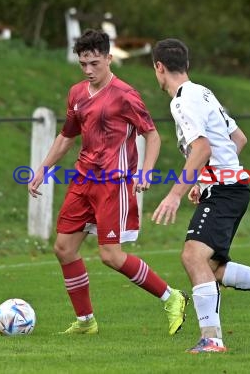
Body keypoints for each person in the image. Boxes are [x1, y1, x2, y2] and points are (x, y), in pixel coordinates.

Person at [151, 38, 250, 354]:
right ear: (187, 65)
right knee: (213, 269)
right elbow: (239, 138)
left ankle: (212, 339)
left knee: (192, 256)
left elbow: (202, 148)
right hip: (230, 187)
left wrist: (174, 194)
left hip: (226, 191)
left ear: (159, 67)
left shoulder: (181, 101)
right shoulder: (204, 92)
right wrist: (207, 178)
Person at [28, 29, 188, 336]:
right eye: (83, 64)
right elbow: (66, 136)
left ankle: (172, 297)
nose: (88, 70)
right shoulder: (76, 93)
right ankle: (86, 321)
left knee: (110, 255)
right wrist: (42, 169)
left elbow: (152, 135)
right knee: (63, 248)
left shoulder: (125, 95)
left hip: (113, 183)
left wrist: (146, 171)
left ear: (109, 59)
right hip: (83, 179)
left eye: (95, 63)